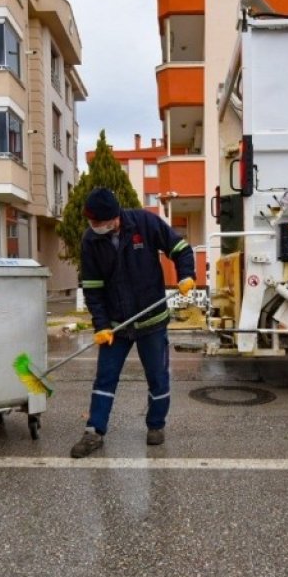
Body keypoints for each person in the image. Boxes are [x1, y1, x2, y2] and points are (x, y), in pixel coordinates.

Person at [70, 187, 196, 458]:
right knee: (105, 377)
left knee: (157, 377)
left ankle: (156, 425)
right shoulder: (91, 240)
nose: (94, 228)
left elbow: (181, 249)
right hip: (116, 324)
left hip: (151, 319)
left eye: (98, 223)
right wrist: (101, 324)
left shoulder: (144, 223)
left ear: (114, 218)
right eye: (91, 223)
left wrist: (186, 275)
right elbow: (92, 287)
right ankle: (94, 431)